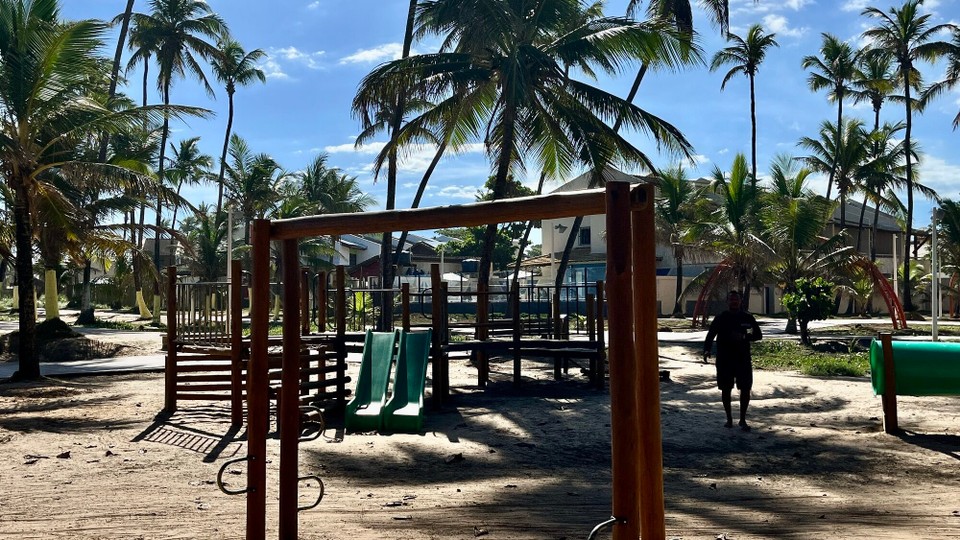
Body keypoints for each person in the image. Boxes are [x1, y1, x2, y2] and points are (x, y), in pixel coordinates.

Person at [703, 290, 762, 431]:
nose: (734, 301)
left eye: (736, 299)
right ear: (727, 302)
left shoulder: (747, 318)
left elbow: (758, 335)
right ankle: (729, 419)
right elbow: (710, 335)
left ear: (740, 301)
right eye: (731, 299)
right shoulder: (721, 318)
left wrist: (744, 338)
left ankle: (742, 419)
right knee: (726, 389)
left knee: (746, 388)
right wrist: (706, 350)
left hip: (743, 359)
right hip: (724, 359)